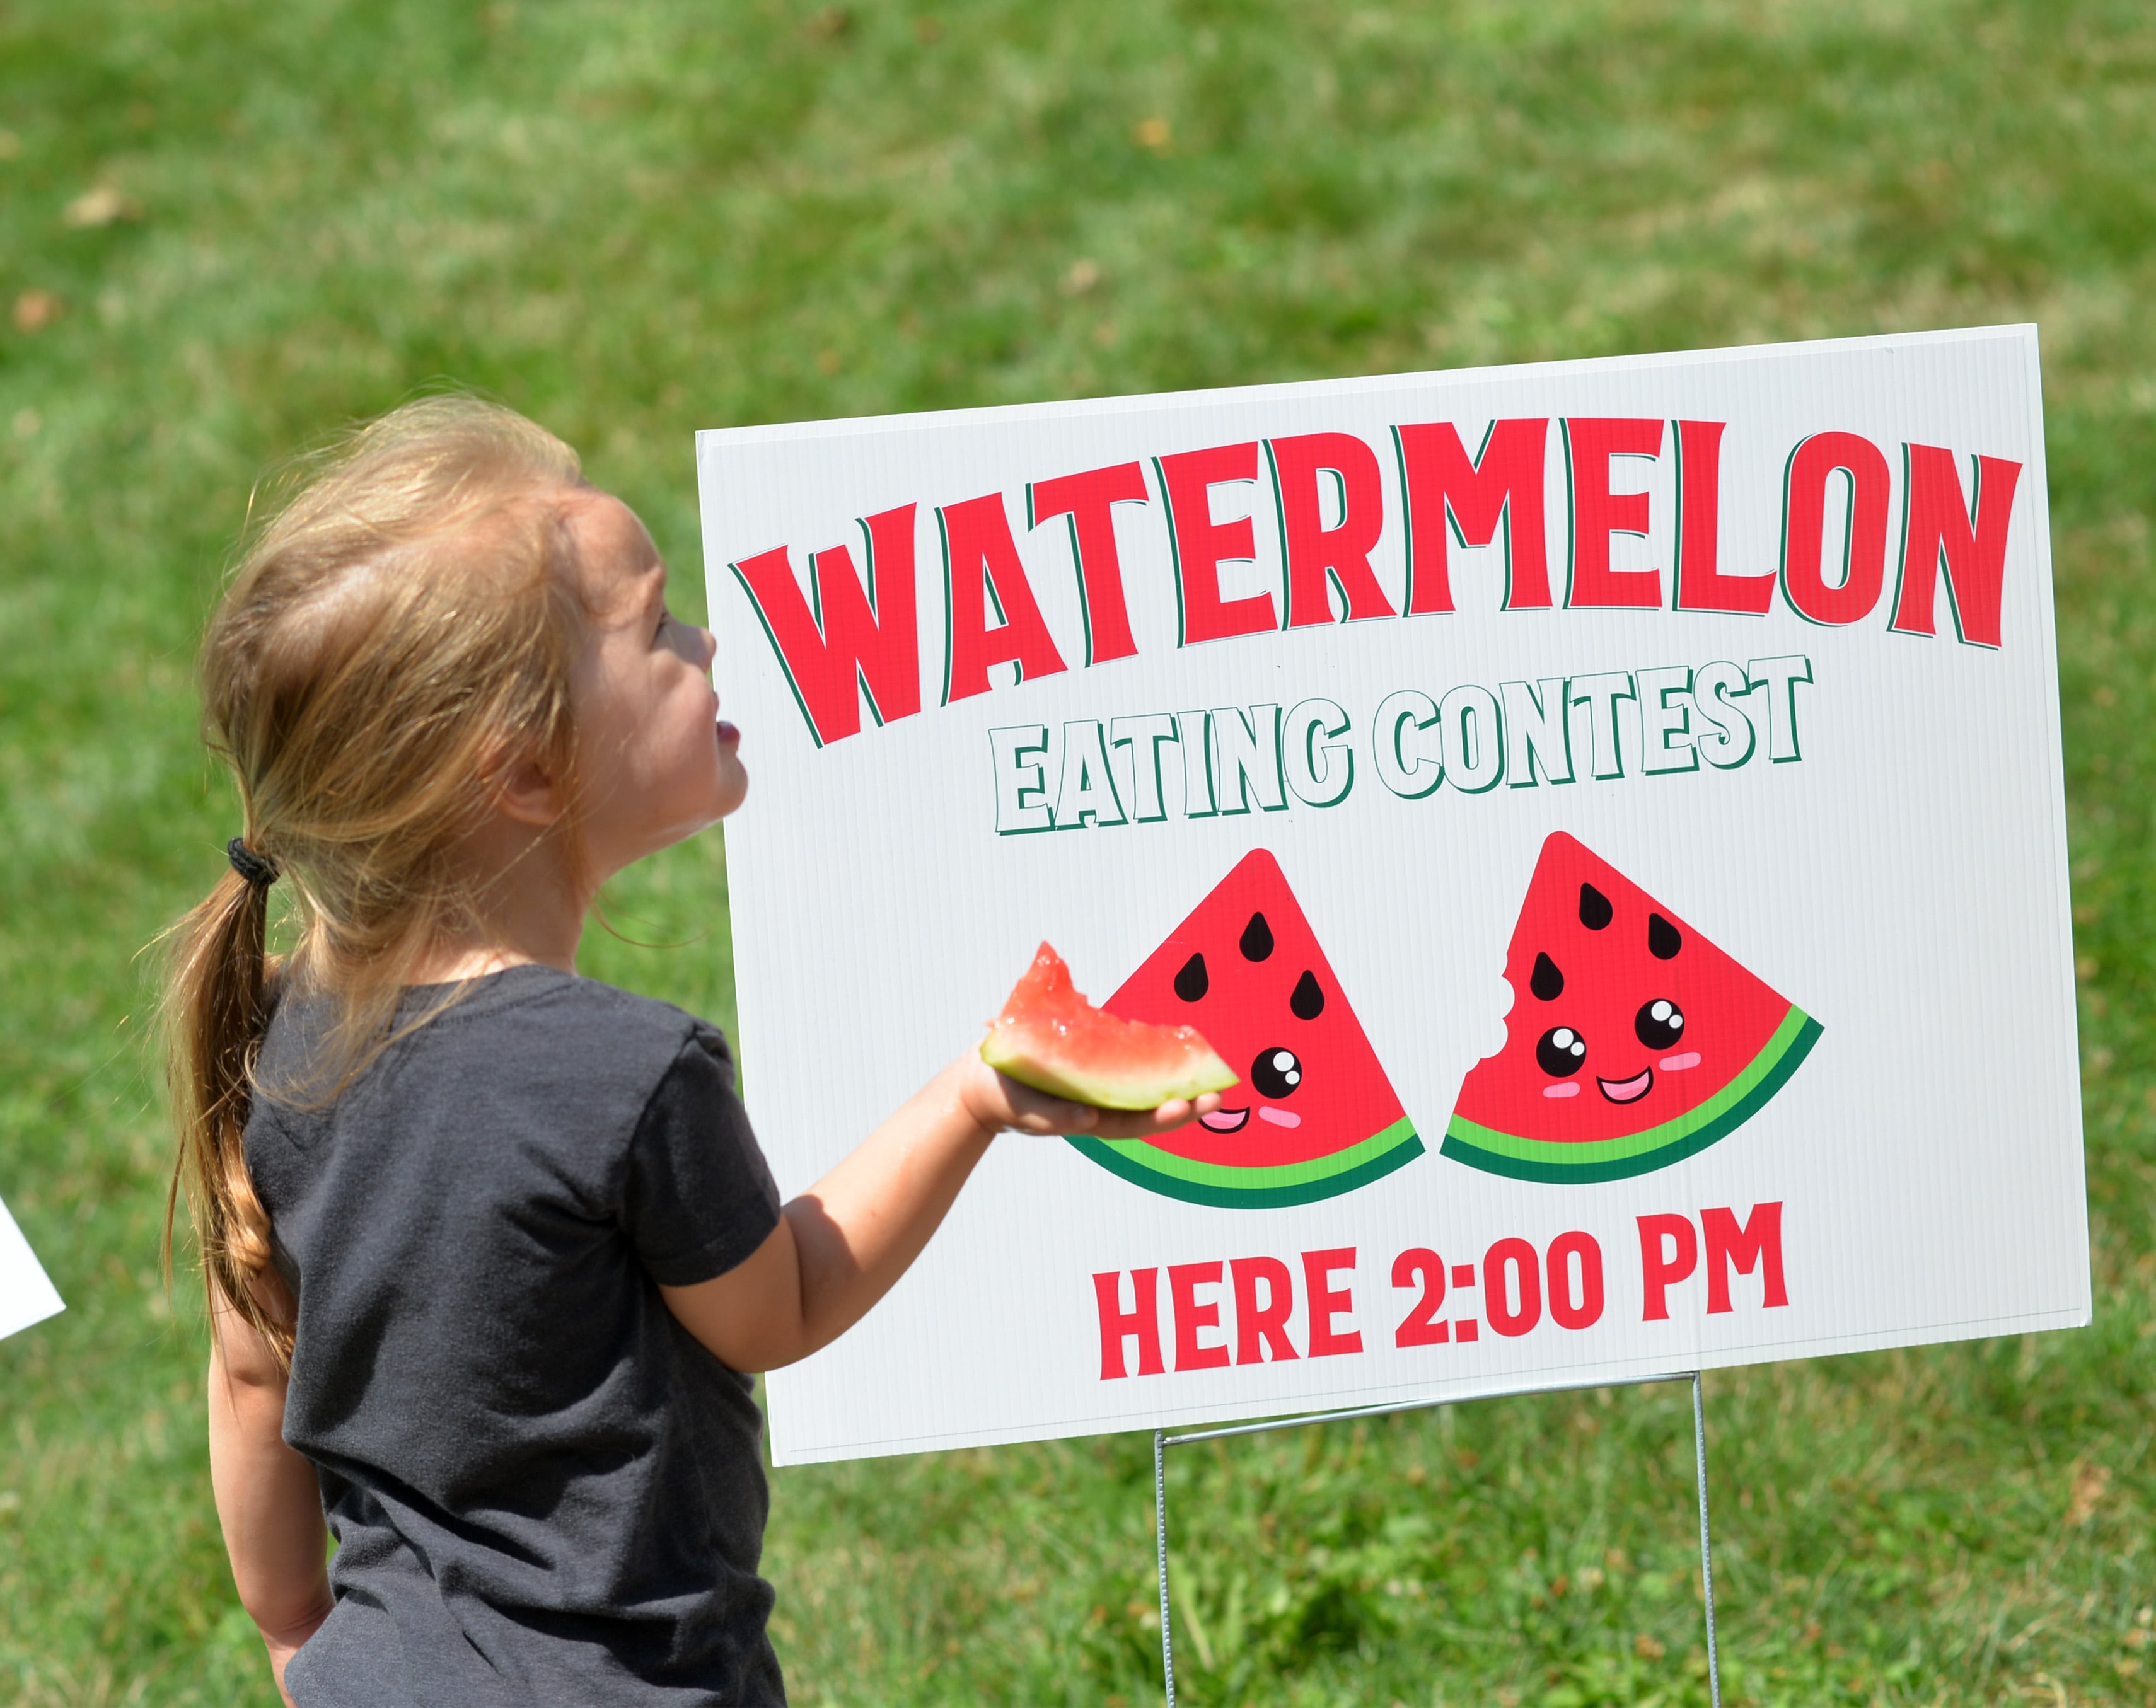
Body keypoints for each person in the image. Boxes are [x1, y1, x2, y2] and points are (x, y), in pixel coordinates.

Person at [161, 395, 1216, 1707]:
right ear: (528, 772)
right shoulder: (624, 1074)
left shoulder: (274, 1042)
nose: (707, 637)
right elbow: (780, 1304)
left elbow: (252, 1372)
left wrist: (296, 1635)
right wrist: (972, 1100)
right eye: (656, 625)